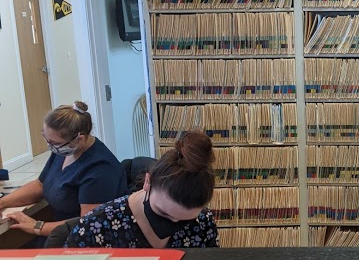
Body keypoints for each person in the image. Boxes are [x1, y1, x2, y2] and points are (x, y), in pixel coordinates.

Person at [65, 130, 218, 248]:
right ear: (148, 181)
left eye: (185, 220)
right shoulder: (95, 227)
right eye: (162, 213)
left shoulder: (202, 221)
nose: (173, 223)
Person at [0, 101, 127, 240]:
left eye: (54, 142)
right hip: (59, 231)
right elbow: (40, 185)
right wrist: (3, 202)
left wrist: (37, 226)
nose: (50, 146)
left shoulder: (100, 169)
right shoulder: (64, 151)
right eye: (46, 138)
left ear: (79, 139)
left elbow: (88, 224)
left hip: (82, 239)